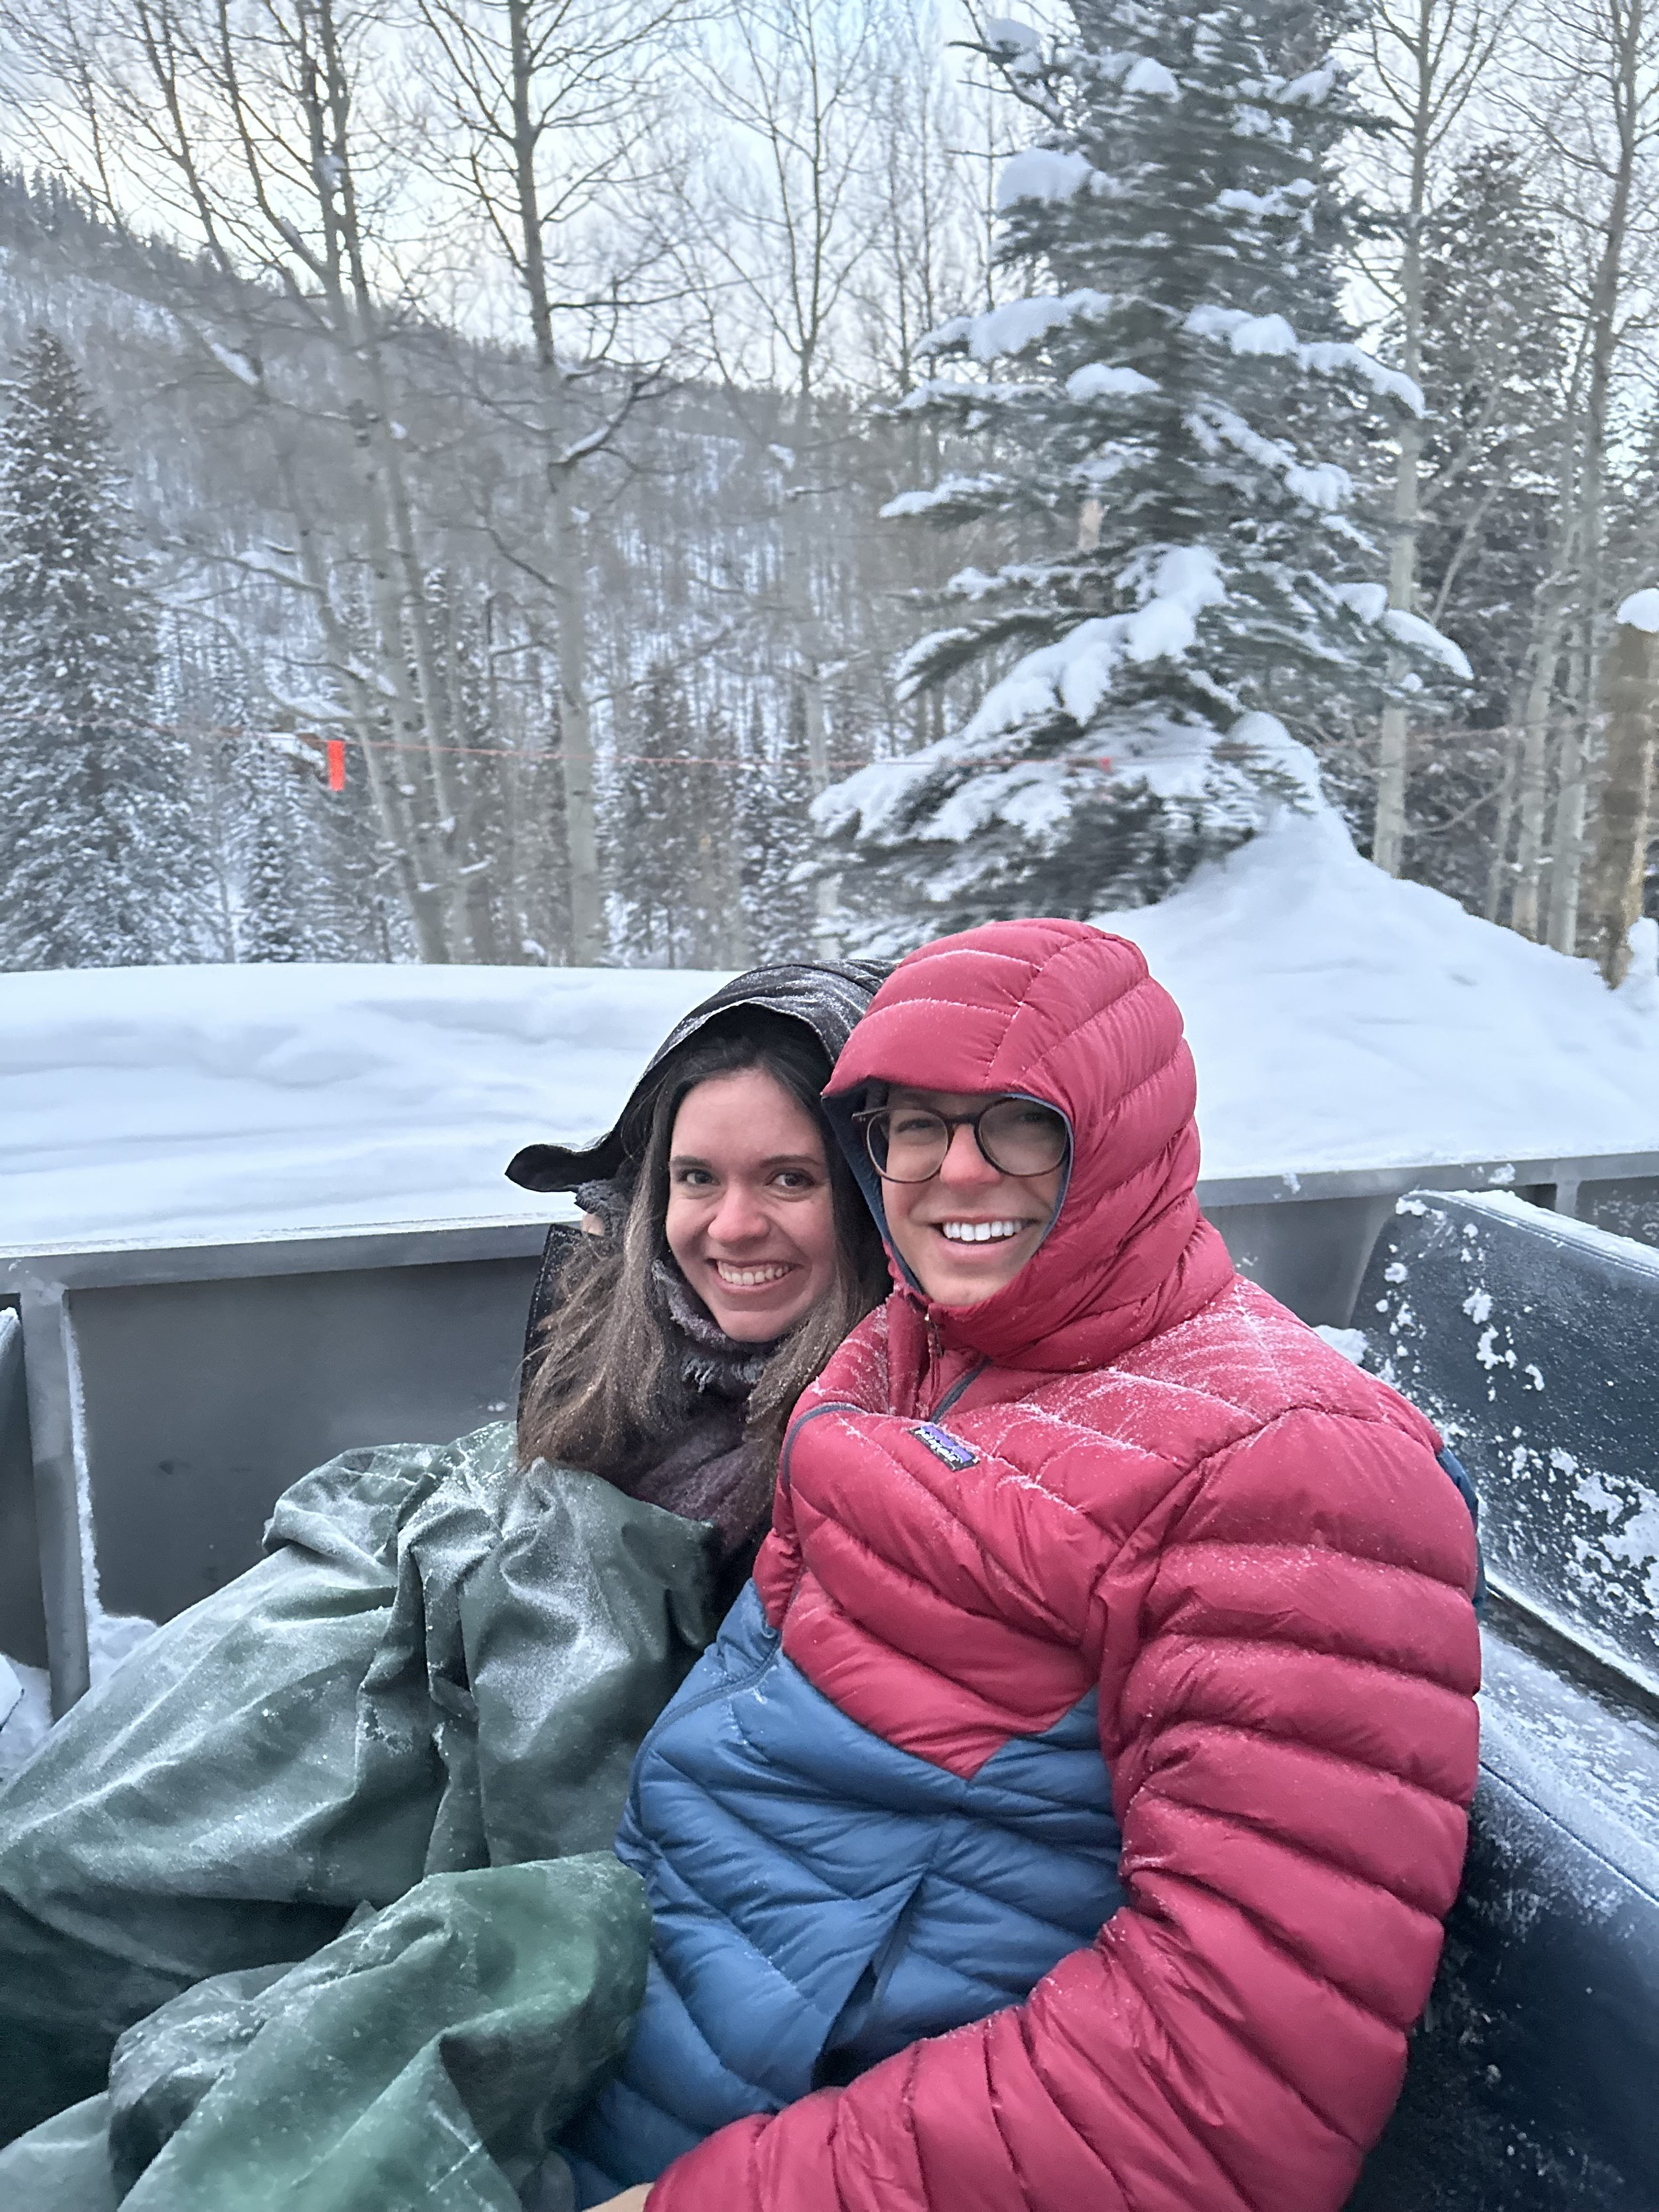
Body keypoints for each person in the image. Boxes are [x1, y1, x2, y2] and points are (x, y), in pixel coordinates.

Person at [561, 919, 1482, 2212]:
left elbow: (1220, 2083)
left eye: (1014, 1121)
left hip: (800, 2137)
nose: (953, 1173)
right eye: (909, 1126)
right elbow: (736, 1742)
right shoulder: (896, 1350)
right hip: (628, 2032)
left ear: (1123, 1138)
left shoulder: (1293, 1468)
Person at [0, 960, 890, 2154]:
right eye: (696, 1177)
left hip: (486, 1768)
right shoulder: (619, 1324)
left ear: (872, 1195)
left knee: (118, 1939)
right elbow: (496, 1496)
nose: (731, 1227)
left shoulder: (875, 1432)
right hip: (379, 1634)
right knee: (55, 1861)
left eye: (789, 1176)